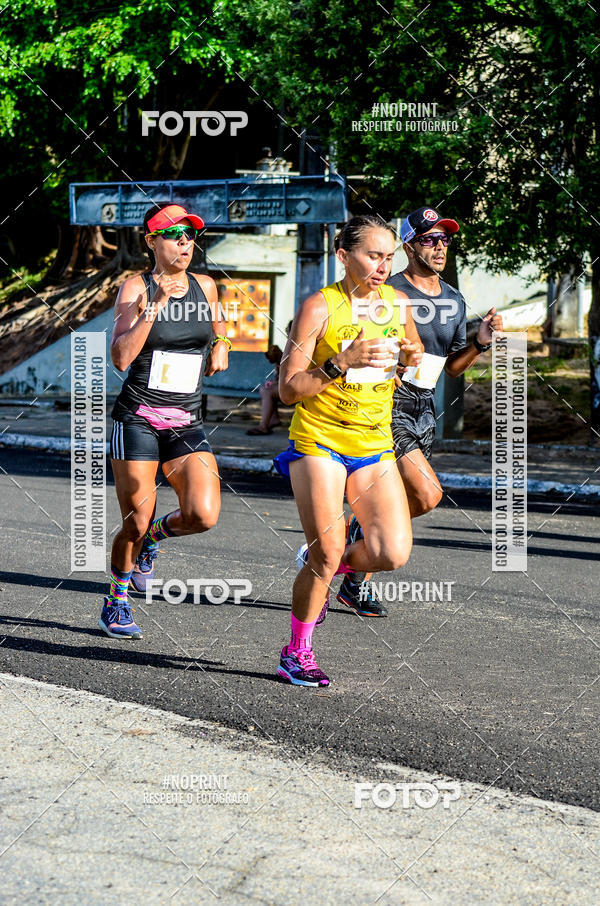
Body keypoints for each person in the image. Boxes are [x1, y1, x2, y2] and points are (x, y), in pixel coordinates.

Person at [273, 214, 423, 686]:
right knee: (330, 549)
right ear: (343, 255)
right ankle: (296, 650)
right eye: (373, 255)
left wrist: (410, 358)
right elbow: (288, 389)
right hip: (320, 439)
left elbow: (411, 353)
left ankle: (319, 569)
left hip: (374, 441)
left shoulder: (397, 303)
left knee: (391, 552)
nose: (383, 266)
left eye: (388, 257)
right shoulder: (320, 307)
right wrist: (342, 362)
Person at [343, 205, 504, 615]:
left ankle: (354, 577)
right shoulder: (388, 291)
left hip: (424, 406)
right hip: (387, 403)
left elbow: (452, 366)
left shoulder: (453, 298)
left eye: (445, 239)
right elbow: (356, 338)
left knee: (400, 495)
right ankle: (343, 550)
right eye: (431, 239)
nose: (440, 247)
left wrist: (480, 343)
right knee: (428, 494)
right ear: (410, 245)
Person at [99, 203, 230, 639]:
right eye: (174, 235)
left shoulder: (205, 286)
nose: (184, 243)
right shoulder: (134, 289)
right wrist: (153, 306)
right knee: (133, 521)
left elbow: (217, 322)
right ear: (151, 241)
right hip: (137, 418)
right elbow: (120, 357)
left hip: (186, 420)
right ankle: (116, 600)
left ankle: (155, 539)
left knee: (203, 513)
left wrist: (222, 342)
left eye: (190, 235)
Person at [247, 344, 283, 435]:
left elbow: (287, 380)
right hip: (285, 387)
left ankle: (263, 427)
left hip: (290, 389)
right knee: (266, 389)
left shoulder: (286, 359)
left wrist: (275, 383)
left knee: (266, 391)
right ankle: (274, 419)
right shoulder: (278, 363)